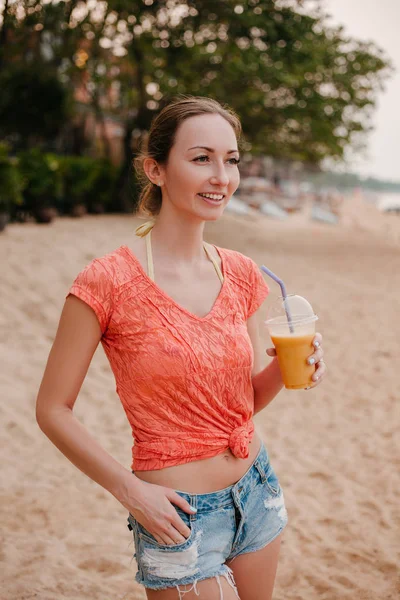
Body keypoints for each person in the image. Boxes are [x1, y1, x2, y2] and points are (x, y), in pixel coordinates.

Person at [36, 96, 326, 600]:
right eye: (201, 158)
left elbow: (242, 403)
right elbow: (51, 410)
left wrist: (285, 369)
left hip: (257, 492)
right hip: (177, 516)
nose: (222, 177)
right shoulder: (107, 281)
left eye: (231, 160)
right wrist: (130, 491)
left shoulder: (239, 272)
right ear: (156, 169)